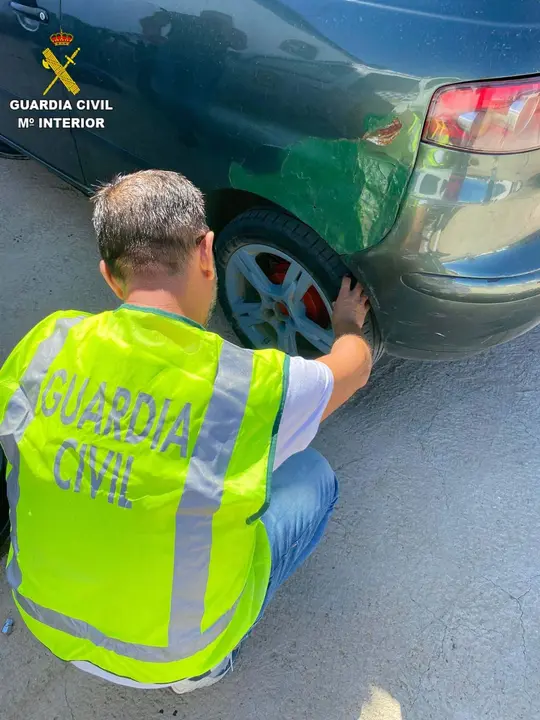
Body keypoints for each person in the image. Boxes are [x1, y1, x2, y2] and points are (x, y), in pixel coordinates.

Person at [0, 170, 373, 693]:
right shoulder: (252, 385)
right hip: (171, 657)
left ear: (110, 277)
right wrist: (348, 324)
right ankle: (203, 667)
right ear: (207, 252)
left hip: (46, 620)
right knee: (312, 474)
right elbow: (354, 367)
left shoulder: (47, 342)